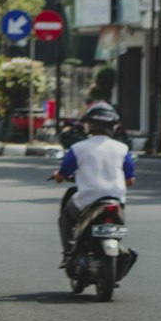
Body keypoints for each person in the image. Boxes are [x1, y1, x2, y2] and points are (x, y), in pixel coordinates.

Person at [54, 100, 135, 261]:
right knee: (119, 223)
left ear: (89, 125)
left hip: (87, 199)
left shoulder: (78, 148)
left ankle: (69, 250)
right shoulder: (123, 149)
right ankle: (118, 245)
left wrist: (58, 176)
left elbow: (63, 173)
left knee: (67, 216)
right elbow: (130, 180)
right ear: (112, 126)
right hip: (117, 199)